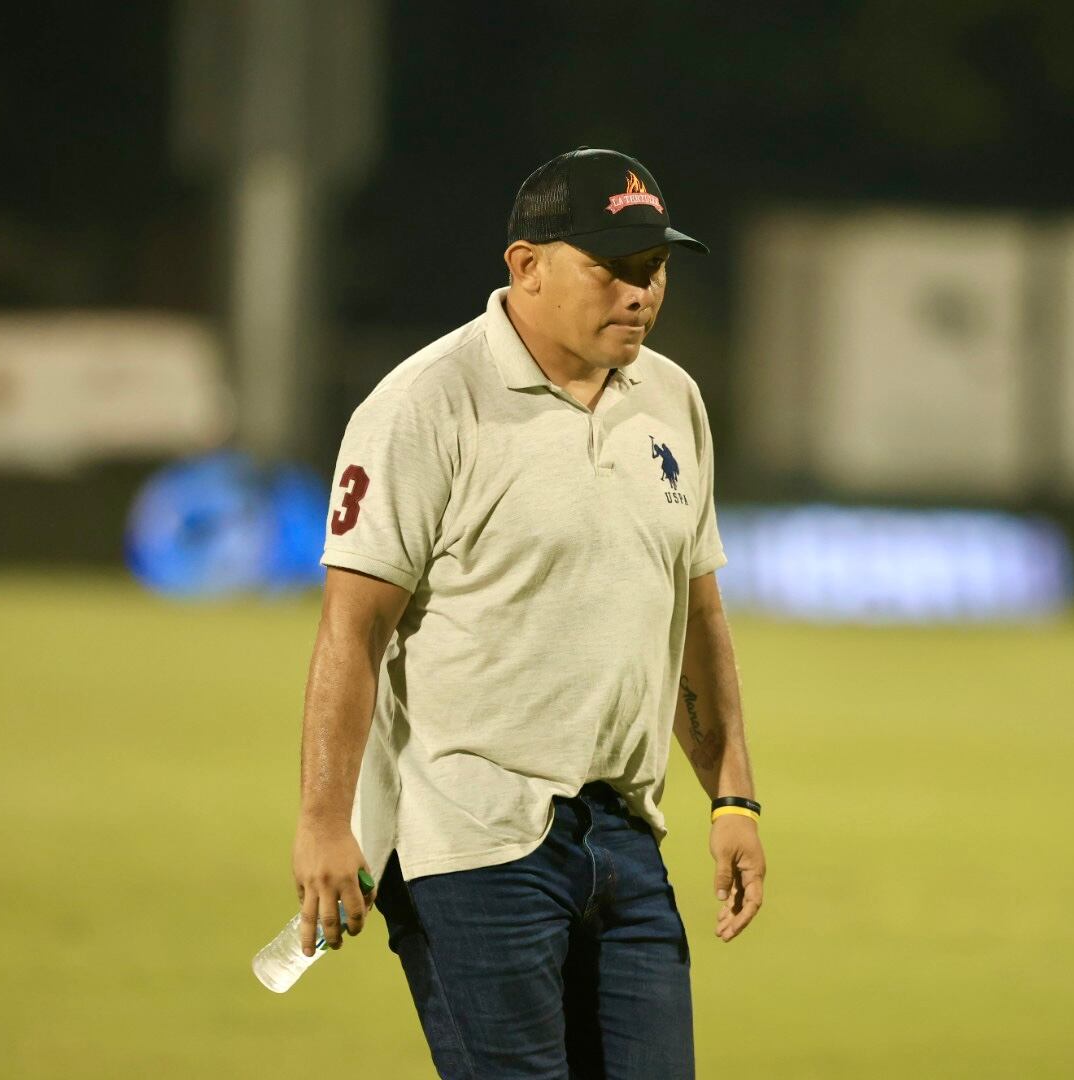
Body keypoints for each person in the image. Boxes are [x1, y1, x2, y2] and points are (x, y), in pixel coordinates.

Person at [290, 147, 765, 1079]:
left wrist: (734, 795)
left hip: (626, 834)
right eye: (614, 269)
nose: (641, 293)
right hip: (471, 845)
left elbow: (695, 614)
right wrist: (322, 821)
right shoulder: (428, 403)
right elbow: (352, 629)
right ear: (526, 265)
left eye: (655, 268)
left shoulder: (673, 400)